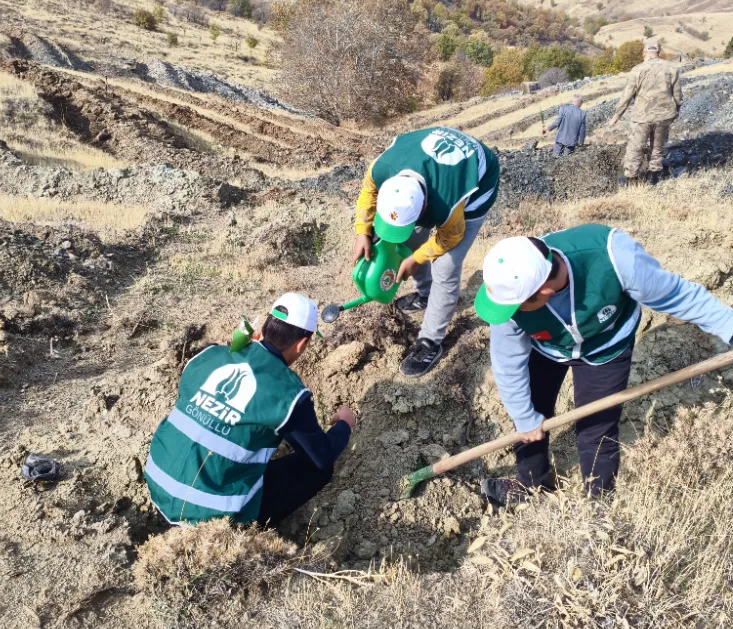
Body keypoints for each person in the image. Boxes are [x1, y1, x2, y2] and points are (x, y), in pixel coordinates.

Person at [473, 225, 733, 505]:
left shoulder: (614, 257)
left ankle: (597, 503)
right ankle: (532, 486)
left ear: (543, 289)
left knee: (597, 429)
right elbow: (507, 361)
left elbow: (680, 297)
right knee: (530, 416)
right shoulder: (508, 294)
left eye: (518, 307)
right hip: (548, 348)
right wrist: (523, 416)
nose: (511, 312)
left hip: (607, 347)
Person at [144, 293, 355, 528]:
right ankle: (250, 529)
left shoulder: (208, 355)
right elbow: (321, 455)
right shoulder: (289, 394)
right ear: (302, 343)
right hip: (210, 518)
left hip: (158, 484)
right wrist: (344, 425)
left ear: (264, 328)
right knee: (318, 471)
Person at [353, 126, 499, 377]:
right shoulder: (382, 169)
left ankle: (431, 341)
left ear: (426, 205)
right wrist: (362, 231)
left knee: (445, 266)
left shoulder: (448, 200)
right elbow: (368, 192)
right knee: (406, 240)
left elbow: (450, 238)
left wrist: (416, 258)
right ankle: (425, 294)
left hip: (478, 178)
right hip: (427, 163)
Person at [608, 40, 683, 185]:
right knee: (658, 147)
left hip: (642, 117)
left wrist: (616, 117)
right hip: (664, 116)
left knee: (636, 148)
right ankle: (654, 178)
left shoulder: (637, 70)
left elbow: (627, 96)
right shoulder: (671, 69)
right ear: (659, 53)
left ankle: (632, 181)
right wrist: (676, 111)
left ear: (644, 54)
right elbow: (678, 95)